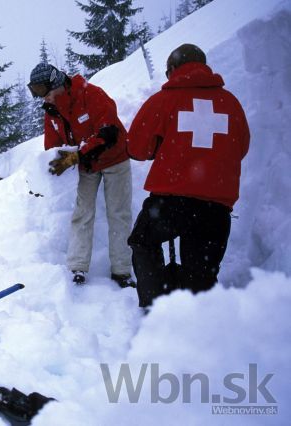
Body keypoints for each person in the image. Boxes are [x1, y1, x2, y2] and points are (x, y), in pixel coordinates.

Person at [126, 44, 250, 308]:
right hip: (215, 207)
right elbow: (241, 147)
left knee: (143, 243)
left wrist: (164, 149)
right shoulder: (231, 103)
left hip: (170, 204)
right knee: (201, 274)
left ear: (173, 69)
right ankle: (199, 327)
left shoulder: (164, 100)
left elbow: (136, 147)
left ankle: (156, 307)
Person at [27, 63, 134, 288]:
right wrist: (46, 174)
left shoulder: (90, 94)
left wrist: (78, 155)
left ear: (55, 82)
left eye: (42, 90)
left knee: (118, 214)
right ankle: (77, 267)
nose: (41, 97)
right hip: (87, 166)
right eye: (35, 91)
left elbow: (108, 132)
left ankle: (122, 271)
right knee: (82, 213)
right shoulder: (52, 111)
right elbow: (53, 148)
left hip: (115, 159)